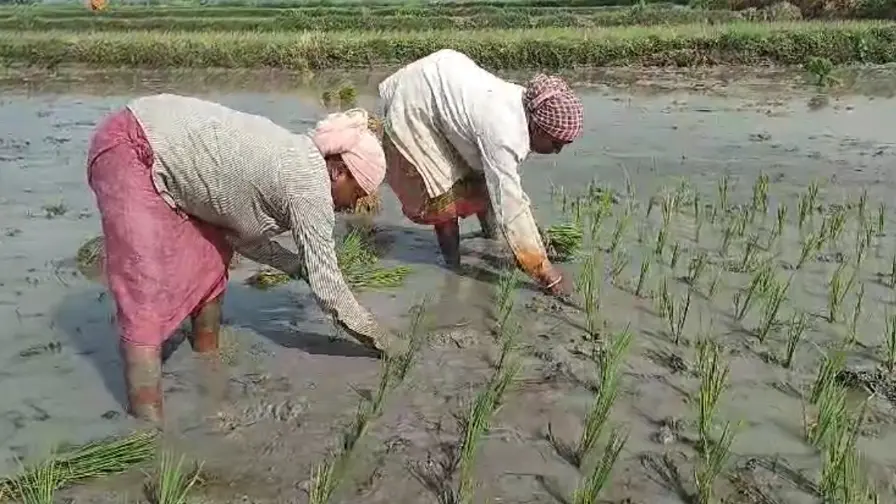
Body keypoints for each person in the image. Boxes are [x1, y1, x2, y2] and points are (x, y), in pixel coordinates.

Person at [86, 94, 403, 423]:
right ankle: (147, 428)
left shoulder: (300, 160)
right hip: (130, 148)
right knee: (145, 290)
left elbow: (240, 239)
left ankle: (206, 358)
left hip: (160, 143)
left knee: (210, 263)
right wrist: (387, 343)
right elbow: (330, 292)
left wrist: (296, 266)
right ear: (338, 171)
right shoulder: (310, 185)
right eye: (358, 193)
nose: (353, 206)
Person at [378, 49, 584, 297]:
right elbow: (510, 204)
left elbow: (501, 188)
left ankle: (492, 239)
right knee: (442, 194)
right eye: (555, 143)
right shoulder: (504, 133)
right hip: (417, 100)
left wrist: (532, 237)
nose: (558, 151)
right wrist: (545, 272)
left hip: (446, 80)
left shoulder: (527, 109)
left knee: (483, 180)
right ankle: (452, 269)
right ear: (538, 129)